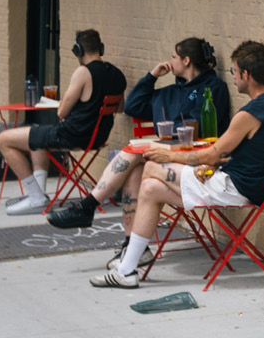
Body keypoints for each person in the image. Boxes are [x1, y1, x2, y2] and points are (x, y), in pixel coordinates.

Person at [90, 39, 264, 288]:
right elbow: (255, 153)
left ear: (246, 74)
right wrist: (211, 166)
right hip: (257, 187)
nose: (233, 76)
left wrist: (170, 156)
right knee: (151, 189)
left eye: (234, 71)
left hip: (235, 188)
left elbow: (211, 154)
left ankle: (128, 256)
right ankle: (127, 270)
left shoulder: (248, 114)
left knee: (152, 166)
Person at [45, 38, 230, 267]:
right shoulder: (170, 92)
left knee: (133, 153)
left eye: (173, 56)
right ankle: (133, 246)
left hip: (198, 163)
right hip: (170, 158)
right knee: (134, 172)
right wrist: (152, 76)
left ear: (186, 60)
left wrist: (164, 141)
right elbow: (132, 106)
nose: (170, 61)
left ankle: (88, 206)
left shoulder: (212, 89)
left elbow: (198, 128)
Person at [0, 29, 126, 216]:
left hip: (71, 135)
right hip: (97, 137)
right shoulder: (117, 74)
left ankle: (35, 198)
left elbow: (61, 112)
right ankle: (39, 195)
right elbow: (119, 108)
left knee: (3, 139)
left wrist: (67, 105)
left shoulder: (83, 72)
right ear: (101, 48)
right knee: (37, 135)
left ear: (78, 50)